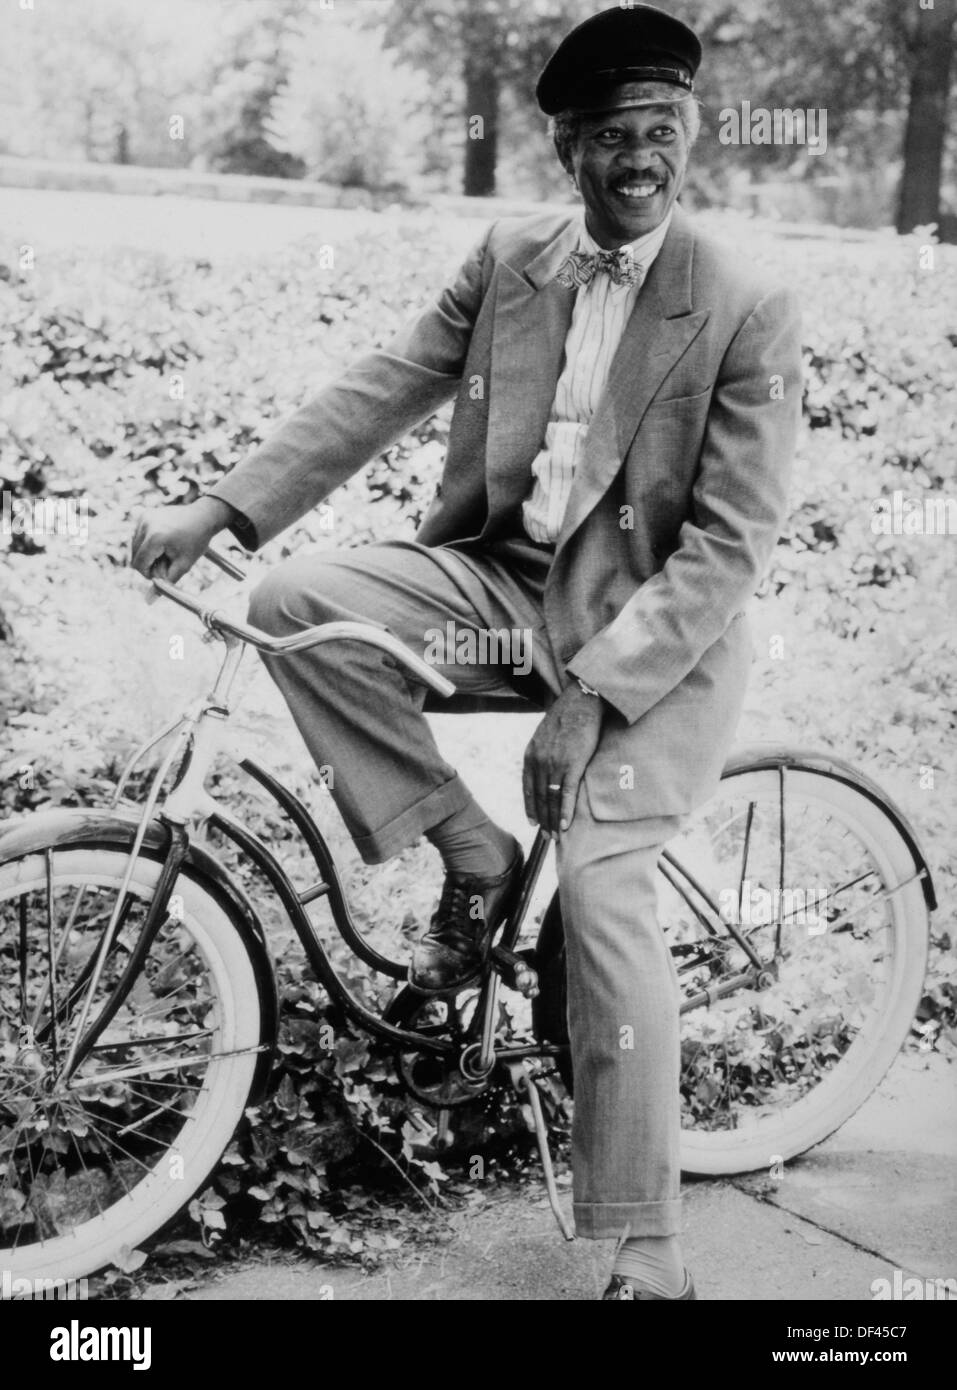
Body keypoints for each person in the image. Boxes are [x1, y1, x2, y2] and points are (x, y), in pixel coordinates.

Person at [131, 4, 802, 1301]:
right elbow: (382, 383)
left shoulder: (744, 302)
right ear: (564, 150)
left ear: (691, 132)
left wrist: (589, 699)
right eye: (609, 136)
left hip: (653, 641)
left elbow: (725, 546)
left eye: (659, 131)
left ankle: (645, 1241)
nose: (637, 160)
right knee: (293, 598)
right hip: (503, 590)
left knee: (605, 892)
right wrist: (222, 504)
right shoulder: (513, 260)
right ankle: (473, 852)